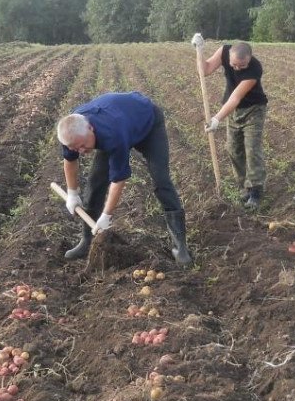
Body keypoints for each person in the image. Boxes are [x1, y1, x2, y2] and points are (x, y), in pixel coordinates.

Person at [56, 91, 192, 266]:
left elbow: (118, 179)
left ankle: (180, 245)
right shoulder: (70, 132)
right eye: (76, 148)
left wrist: (106, 216)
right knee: (95, 183)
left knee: (161, 180)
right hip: (120, 121)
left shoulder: (113, 134)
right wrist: (73, 193)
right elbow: (70, 161)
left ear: (91, 128)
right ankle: (87, 240)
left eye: (83, 145)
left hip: (147, 123)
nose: (81, 150)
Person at [191, 33, 268, 209]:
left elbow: (235, 97)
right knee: (233, 149)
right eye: (234, 65)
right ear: (230, 56)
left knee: (252, 149)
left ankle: (256, 190)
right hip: (233, 112)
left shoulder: (255, 68)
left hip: (253, 110)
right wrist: (200, 50)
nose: (238, 69)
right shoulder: (224, 51)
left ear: (249, 60)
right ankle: (244, 188)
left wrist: (217, 118)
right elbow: (205, 70)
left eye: (242, 66)